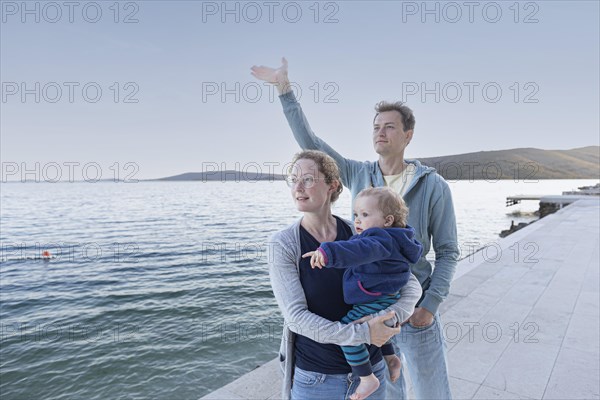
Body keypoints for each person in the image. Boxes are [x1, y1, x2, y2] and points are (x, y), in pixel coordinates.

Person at [253, 58, 460, 400]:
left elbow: (449, 251)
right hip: (369, 307)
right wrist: (284, 90)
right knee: (386, 387)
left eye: (390, 126)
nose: (380, 131)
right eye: (376, 125)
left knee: (431, 391)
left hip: (413, 304)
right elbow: (311, 142)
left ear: (408, 135)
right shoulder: (358, 174)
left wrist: (430, 304)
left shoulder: (433, 185)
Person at [268, 150, 422, 400]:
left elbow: (411, 286)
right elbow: (296, 318)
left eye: (307, 179)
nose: (298, 186)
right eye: (293, 179)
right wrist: (365, 334)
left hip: (374, 370)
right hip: (317, 380)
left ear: (333, 185)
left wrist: (388, 320)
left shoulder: (362, 232)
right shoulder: (284, 244)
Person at [303, 187, 423, 400]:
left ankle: (367, 378)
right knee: (376, 325)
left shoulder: (378, 238)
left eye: (365, 215)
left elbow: (358, 250)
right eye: (356, 214)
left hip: (376, 296)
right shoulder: (397, 237)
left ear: (387, 220)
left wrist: (326, 252)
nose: (357, 220)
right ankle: (391, 358)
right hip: (385, 296)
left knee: (352, 329)